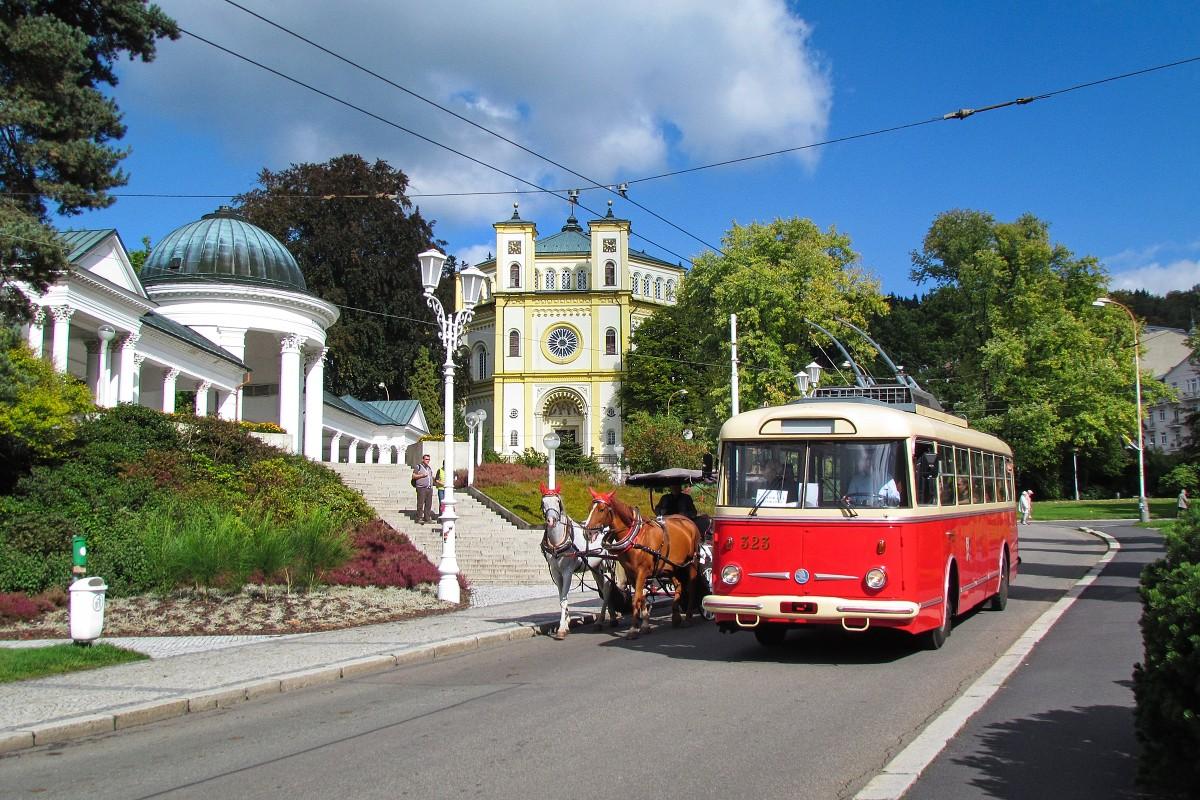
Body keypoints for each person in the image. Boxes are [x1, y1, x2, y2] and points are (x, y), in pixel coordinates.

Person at [413, 454, 435, 523]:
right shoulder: (418, 467)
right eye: (426, 459)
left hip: (429, 488)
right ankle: (419, 518)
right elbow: (413, 476)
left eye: (428, 459)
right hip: (421, 488)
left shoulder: (429, 468)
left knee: (428, 504)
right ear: (423, 459)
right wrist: (422, 475)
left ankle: (427, 518)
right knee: (420, 503)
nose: (427, 461)